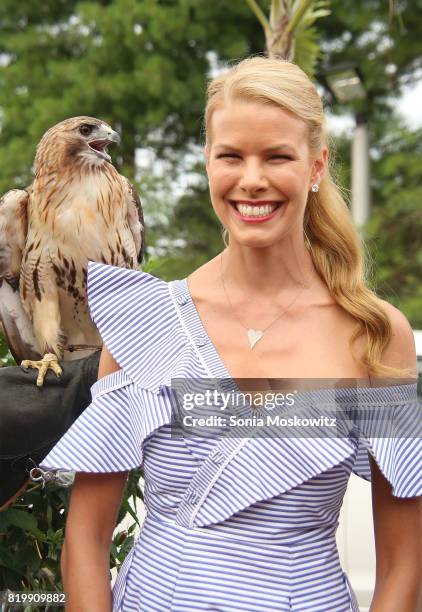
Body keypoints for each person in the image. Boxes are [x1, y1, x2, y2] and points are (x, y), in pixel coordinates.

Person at [38, 56, 421, 611]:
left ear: (316, 167)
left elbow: (405, 562)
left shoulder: (376, 334)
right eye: (232, 156)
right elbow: (86, 538)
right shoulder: (144, 319)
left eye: (277, 156)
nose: (252, 180)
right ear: (208, 164)